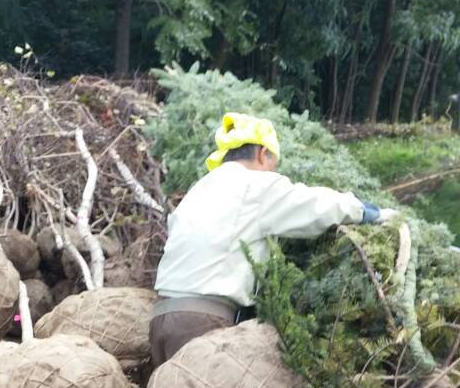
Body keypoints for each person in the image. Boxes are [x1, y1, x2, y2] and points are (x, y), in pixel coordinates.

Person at [150, 111, 398, 367]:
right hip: (200, 323)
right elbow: (317, 205)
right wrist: (371, 213)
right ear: (262, 153)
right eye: (273, 163)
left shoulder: (200, 188)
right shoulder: (256, 184)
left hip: (160, 319)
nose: (273, 171)